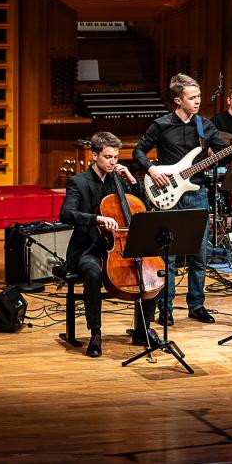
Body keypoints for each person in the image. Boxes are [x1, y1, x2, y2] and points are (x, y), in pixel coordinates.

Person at [133, 73, 232, 325]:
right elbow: (138, 151)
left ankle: (196, 305)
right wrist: (151, 169)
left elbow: (224, 154)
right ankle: (164, 309)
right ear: (178, 100)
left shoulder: (205, 126)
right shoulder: (161, 125)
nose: (198, 101)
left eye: (199, 96)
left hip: (197, 193)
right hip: (169, 194)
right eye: (192, 97)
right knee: (168, 257)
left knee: (200, 254)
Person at [59, 132, 160, 358]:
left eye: (115, 157)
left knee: (154, 269)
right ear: (94, 155)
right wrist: (97, 218)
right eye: (107, 157)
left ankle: (143, 329)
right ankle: (95, 333)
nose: (113, 162)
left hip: (119, 247)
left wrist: (131, 180)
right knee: (93, 273)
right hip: (88, 247)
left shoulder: (119, 181)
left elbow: (142, 206)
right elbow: (66, 214)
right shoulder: (78, 182)